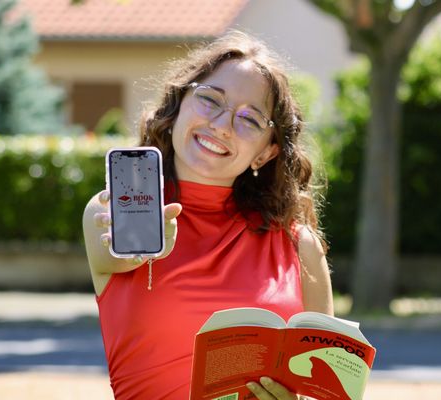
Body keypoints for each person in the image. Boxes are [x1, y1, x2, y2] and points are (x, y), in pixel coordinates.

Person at [82, 30, 333, 400]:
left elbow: (324, 386)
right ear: (178, 105)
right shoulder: (113, 211)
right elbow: (114, 255)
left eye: (249, 120)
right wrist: (143, 246)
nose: (221, 124)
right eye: (209, 100)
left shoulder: (299, 246)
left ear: (266, 153)